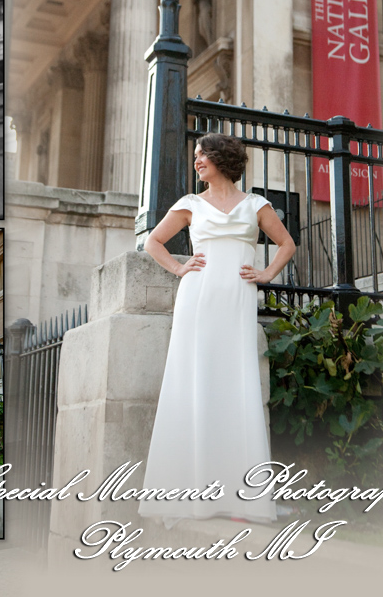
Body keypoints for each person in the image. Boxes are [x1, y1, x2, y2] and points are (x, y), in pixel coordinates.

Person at [138, 134, 295, 526]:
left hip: (237, 301)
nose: (196, 161)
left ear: (222, 158)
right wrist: (178, 268)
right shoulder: (190, 205)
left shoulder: (256, 205)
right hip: (198, 300)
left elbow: (287, 244)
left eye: (202, 154)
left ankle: (242, 499)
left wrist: (265, 274)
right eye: (194, 156)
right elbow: (153, 242)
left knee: (235, 386)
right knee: (195, 383)